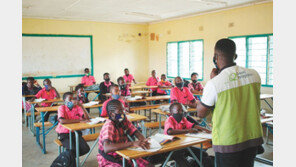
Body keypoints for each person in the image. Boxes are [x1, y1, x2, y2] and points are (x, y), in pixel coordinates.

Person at [195, 38, 263, 167]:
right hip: (252, 137)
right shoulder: (254, 74)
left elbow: (201, 113)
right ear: (235, 55)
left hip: (229, 141)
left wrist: (214, 80)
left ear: (215, 57)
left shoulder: (214, 83)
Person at [97, 99, 153, 167]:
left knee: (148, 165)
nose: (123, 113)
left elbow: (135, 131)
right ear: (112, 114)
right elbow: (107, 148)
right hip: (109, 159)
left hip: (123, 153)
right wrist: (132, 143)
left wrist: (143, 140)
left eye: (123, 110)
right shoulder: (109, 126)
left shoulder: (122, 119)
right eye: (120, 111)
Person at [164, 102, 211, 167]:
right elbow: (170, 131)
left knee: (203, 154)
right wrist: (187, 130)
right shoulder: (169, 120)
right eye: (178, 111)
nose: (181, 112)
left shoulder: (183, 119)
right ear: (171, 112)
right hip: (172, 148)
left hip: (183, 146)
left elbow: (193, 125)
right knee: (183, 161)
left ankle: (193, 164)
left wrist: (205, 129)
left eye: (182, 110)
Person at [55, 92, 90, 156]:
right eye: (70, 99)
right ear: (64, 100)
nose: (72, 101)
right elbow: (62, 121)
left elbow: (86, 118)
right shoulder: (62, 107)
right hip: (64, 133)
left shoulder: (77, 107)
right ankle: (69, 160)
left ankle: (71, 159)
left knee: (86, 149)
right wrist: (79, 120)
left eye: (73, 99)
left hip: (75, 132)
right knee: (72, 149)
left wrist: (81, 106)